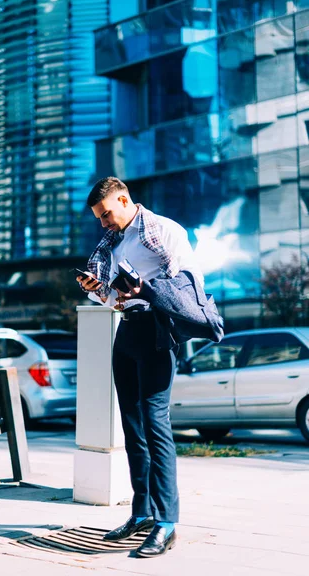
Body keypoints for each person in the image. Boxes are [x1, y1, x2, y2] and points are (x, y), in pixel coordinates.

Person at [77, 177, 223, 558]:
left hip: (159, 334)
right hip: (127, 332)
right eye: (99, 218)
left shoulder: (164, 232)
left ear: (124, 200)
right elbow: (115, 300)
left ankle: (167, 523)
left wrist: (147, 289)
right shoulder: (112, 243)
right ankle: (142, 513)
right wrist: (99, 289)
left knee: (156, 425)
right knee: (132, 427)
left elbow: (189, 284)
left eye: (106, 214)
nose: (104, 223)